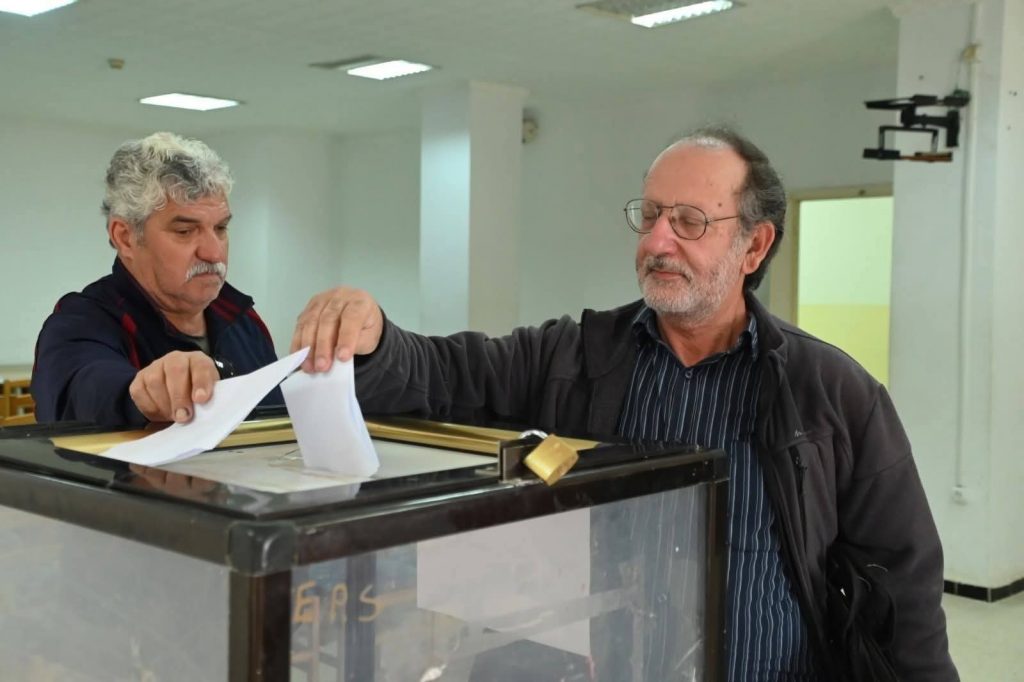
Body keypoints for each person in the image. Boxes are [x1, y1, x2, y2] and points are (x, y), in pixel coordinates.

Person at [289, 125, 957, 680]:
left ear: (754, 246)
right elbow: (443, 374)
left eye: (690, 221)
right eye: (651, 215)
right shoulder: (573, 357)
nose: (658, 242)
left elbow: (903, 588)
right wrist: (374, 338)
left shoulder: (833, 393)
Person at [32, 132, 280, 427]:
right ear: (125, 237)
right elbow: (83, 393)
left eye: (220, 228)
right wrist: (144, 394)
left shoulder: (245, 321)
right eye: (185, 232)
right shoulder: (80, 322)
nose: (214, 252)